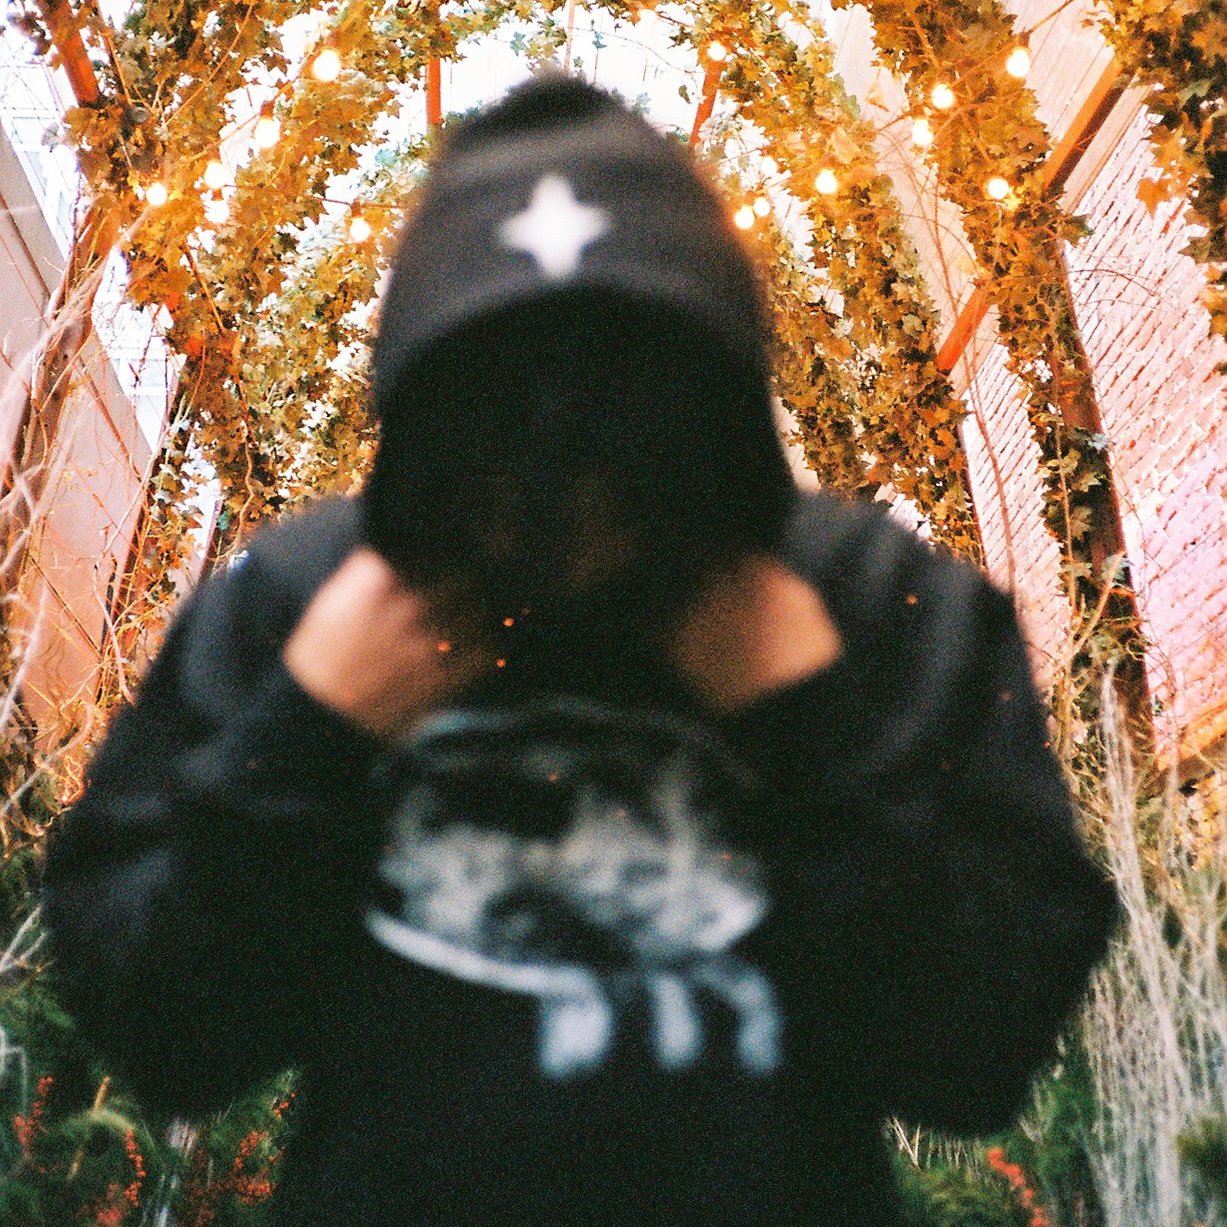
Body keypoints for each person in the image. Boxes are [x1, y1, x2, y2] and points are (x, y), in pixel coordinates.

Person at [43, 75, 1119, 1226]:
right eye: (501, 396)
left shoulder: (868, 599)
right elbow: (160, 1035)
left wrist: (804, 714)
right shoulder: (306, 600)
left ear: (716, 395)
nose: (564, 455)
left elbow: (979, 1053)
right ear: (425, 404)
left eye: (628, 391)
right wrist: (309, 728)